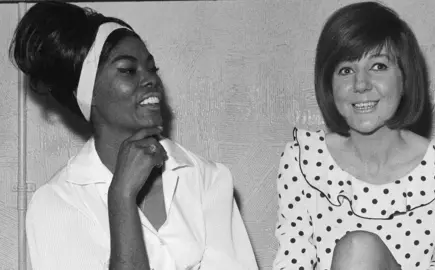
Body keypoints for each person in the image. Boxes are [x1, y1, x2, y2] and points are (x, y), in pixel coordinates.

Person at [10, 2, 258, 270]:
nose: (151, 79)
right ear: (87, 93)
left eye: (152, 69)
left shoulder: (206, 179)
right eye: (128, 70)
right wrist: (121, 197)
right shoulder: (56, 203)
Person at [273, 2, 435, 270]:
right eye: (346, 70)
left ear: (404, 78)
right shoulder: (303, 161)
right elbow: (292, 260)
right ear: (329, 84)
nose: (360, 84)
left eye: (379, 66)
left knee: (359, 248)